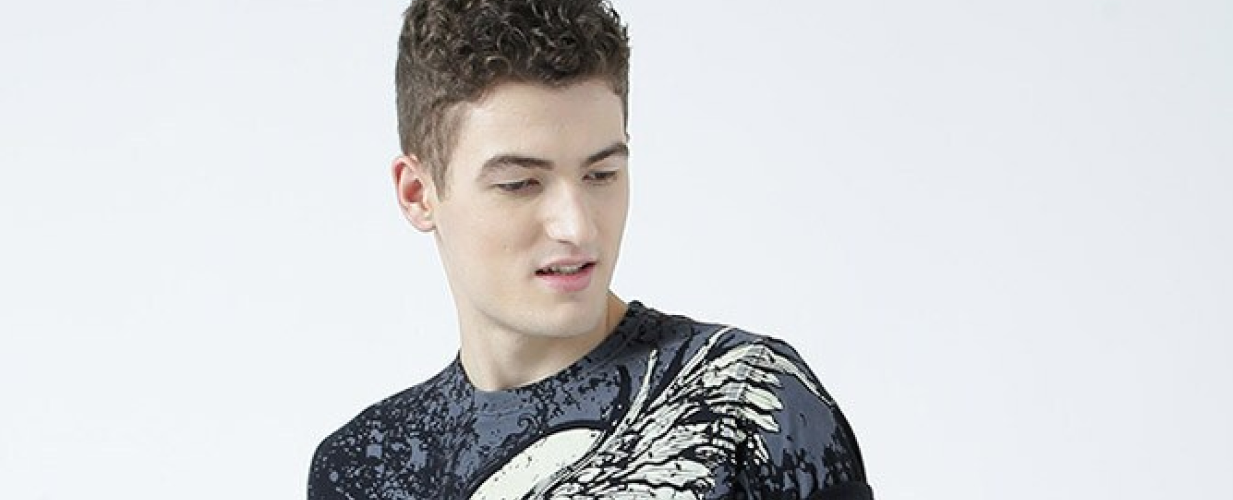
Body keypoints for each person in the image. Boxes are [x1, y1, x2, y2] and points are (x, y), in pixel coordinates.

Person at [308, 1, 871, 498]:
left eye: (601, 175)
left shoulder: (746, 400)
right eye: (520, 184)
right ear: (418, 193)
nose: (576, 227)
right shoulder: (366, 466)